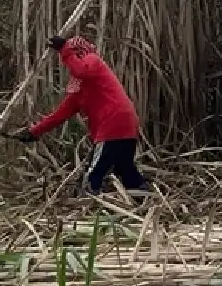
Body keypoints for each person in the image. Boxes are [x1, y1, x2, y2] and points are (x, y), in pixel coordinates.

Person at [13, 36, 149, 196]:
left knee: (92, 178)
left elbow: (82, 70)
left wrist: (65, 50)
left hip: (112, 125)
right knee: (126, 170)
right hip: (126, 126)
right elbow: (59, 115)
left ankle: (92, 204)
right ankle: (145, 194)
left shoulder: (93, 61)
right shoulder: (78, 90)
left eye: (75, 55)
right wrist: (34, 132)